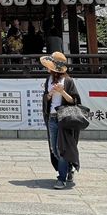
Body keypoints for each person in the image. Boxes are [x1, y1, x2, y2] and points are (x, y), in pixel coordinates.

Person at [41, 52, 81, 189]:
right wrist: (50, 93)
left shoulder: (68, 81)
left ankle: (61, 178)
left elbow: (75, 100)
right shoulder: (48, 80)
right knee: (54, 148)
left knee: (62, 148)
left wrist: (63, 92)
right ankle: (68, 168)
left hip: (64, 119)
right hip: (51, 117)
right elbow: (46, 99)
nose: (47, 68)